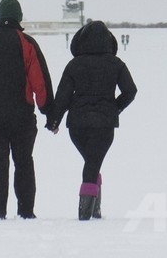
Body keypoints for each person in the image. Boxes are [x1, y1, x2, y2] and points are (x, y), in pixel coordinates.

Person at [0, 0, 53, 220]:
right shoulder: (26, 43)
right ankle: (25, 211)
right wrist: (47, 110)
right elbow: (39, 81)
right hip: (21, 115)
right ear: (19, 17)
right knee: (23, 161)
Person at [47, 20, 137, 221]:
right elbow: (131, 91)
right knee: (93, 163)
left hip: (77, 126)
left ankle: (93, 209)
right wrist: (116, 107)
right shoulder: (116, 64)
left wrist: (54, 121)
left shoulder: (74, 65)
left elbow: (62, 97)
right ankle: (85, 214)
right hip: (104, 125)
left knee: (92, 161)